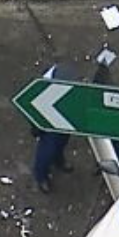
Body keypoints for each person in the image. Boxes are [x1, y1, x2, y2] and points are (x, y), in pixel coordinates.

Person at [31, 63, 78, 193]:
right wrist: (37, 129)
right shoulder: (41, 88)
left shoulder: (67, 78)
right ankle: (41, 176)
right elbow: (34, 111)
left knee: (61, 143)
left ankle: (59, 161)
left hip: (62, 120)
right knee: (46, 151)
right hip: (48, 126)